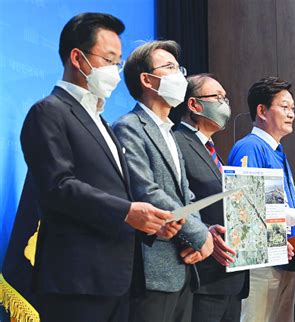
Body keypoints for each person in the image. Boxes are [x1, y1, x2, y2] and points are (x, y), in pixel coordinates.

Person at [18, 13, 182, 322]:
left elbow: (115, 190)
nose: (115, 72)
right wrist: (127, 211)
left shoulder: (102, 120)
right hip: (76, 283)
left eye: (118, 62)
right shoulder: (48, 112)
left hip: (116, 280)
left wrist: (150, 223)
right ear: (78, 58)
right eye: (108, 60)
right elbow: (58, 187)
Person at [113, 40, 213, 322]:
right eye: (169, 68)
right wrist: (198, 234)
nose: (180, 76)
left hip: (182, 267)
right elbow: (145, 190)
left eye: (179, 68)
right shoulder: (128, 127)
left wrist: (203, 229)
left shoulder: (170, 131)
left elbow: (185, 195)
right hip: (151, 272)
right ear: (147, 79)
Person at [227, 77, 295, 322]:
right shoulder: (250, 147)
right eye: (284, 107)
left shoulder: (277, 152)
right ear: (261, 111)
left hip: (284, 259)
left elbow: (274, 208)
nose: (291, 113)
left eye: (293, 108)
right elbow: (246, 208)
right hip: (260, 264)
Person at [173, 74, 249, 322]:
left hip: (230, 278)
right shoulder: (176, 142)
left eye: (225, 98)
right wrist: (204, 232)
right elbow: (175, 200)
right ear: (194, 105)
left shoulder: (211, 149)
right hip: (202, 277)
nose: (225, 103)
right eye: (217, 97)